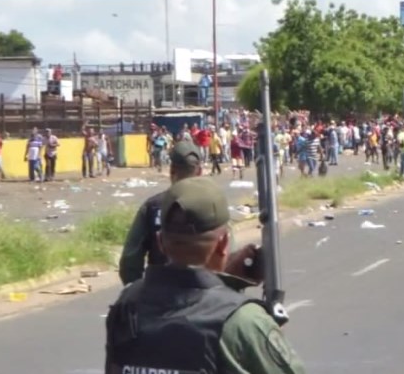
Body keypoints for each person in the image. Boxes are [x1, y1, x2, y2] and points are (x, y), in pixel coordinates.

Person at [105, 177, 306, 374]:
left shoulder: (127, 305)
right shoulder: (243, 321)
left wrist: (224, 282)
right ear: (223, 243)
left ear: (160, 242)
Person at [118, 141, 203, 285]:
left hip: (159, 294)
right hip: (205, 296)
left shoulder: (152, 206)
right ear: (200, 171)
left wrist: (136, 292)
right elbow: (227, 256)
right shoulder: (213, 205)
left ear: (171, 171)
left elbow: (130, 259)